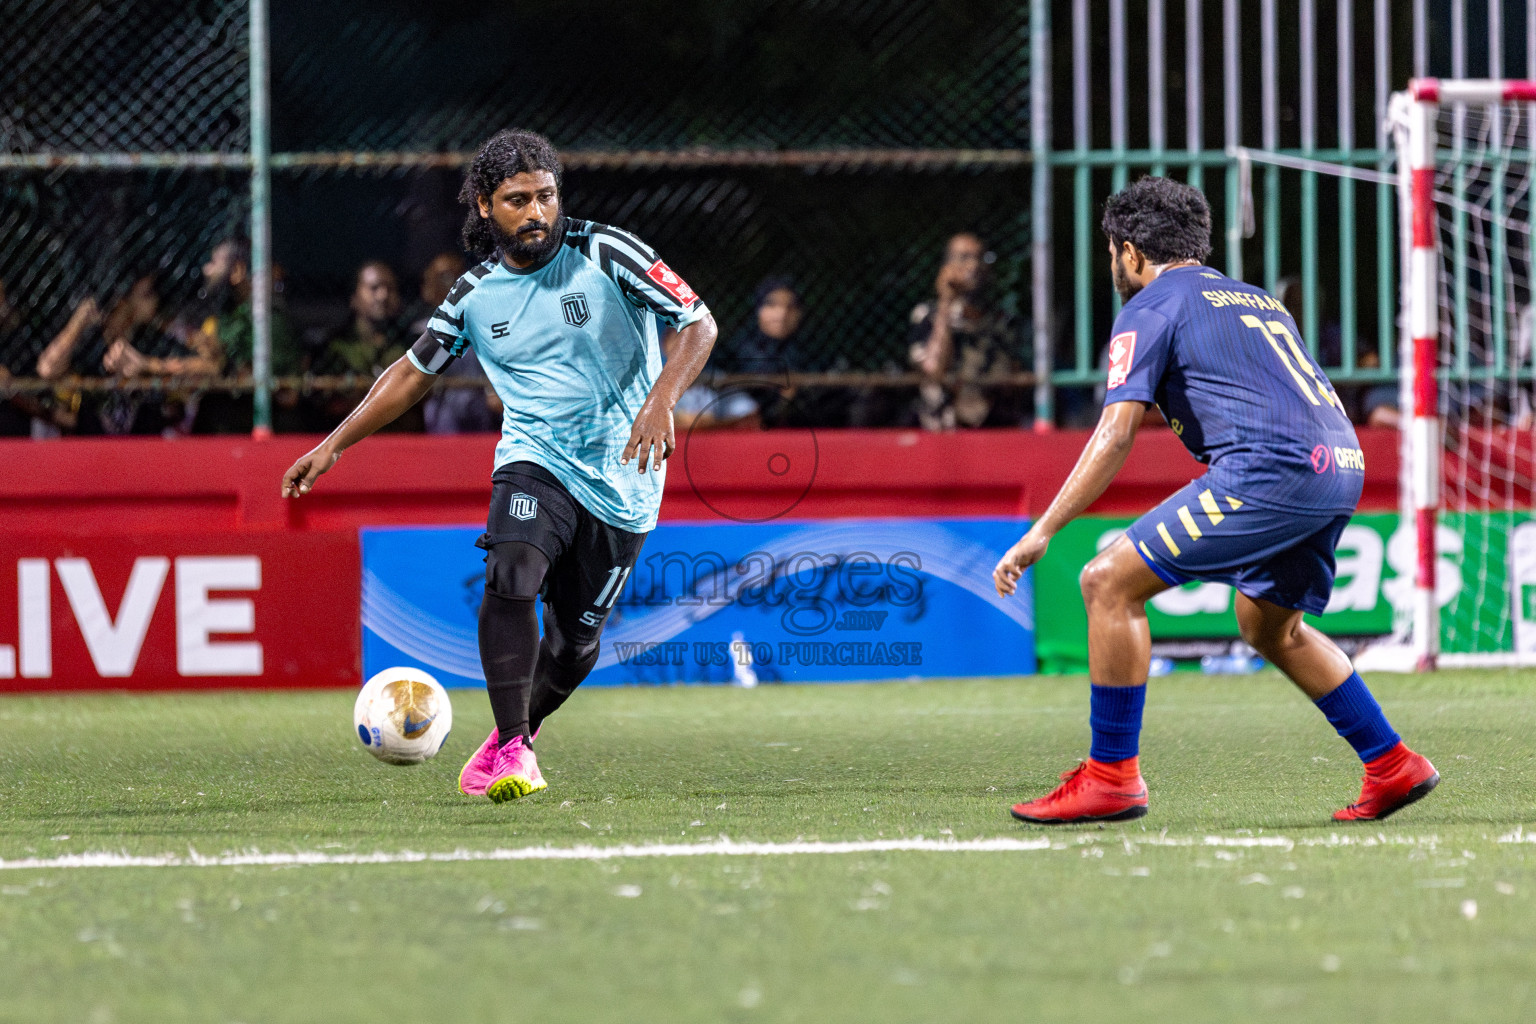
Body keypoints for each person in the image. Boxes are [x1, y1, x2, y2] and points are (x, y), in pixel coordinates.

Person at [280, 128, 717, 803]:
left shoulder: (605, 251)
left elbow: (698, 323)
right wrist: (333, 444)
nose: (537, 212)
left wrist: (662, 402)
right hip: (535, 457)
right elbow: (411, 373)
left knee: (574, 645)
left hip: (624, 474)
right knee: (510, 571)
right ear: (485, 206)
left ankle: (517, 735)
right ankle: (512, 746)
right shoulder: (473, 295)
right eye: (519, 200)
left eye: (546, 196)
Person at [993, 176, 1438, 825]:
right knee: (1268, 626)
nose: (1113, 264)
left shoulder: (1150, 305)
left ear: (1130, 251)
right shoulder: (1257, 300)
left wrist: (1043, 530)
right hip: (1341, 464)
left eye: (1112, 251)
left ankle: (1111, 776)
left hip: (1272, 470)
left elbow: (1116, 432)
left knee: (1107, 583)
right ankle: (1392, 762)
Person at [908, 233, 1025, 430]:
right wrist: (946, 301)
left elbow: (1011, 378)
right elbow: (933, 368)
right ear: (946, 266)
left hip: (994, 427)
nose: (973, 266)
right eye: (964, 258)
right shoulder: (927, 315)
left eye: (979, 258)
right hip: (942, 427)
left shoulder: (1002, 321)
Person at [312, 261, 421, 431]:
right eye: (374, 288)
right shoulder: (334, 345)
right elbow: (322, 402)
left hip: (401, 438)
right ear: (354, 297)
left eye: (390, 288)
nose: (383, 295)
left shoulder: (412, 344)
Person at [410, 252, 502, 434]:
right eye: (443, 277)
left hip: (482, 408)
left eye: (457, 276)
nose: (451, 283)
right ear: (428, 286)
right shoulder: (419, 330)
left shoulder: (486, 324)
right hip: (444, 411)